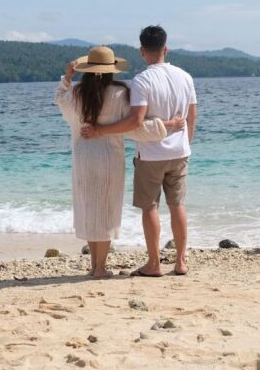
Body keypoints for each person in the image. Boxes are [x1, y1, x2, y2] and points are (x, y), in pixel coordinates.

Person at [55, 46, 183, 279]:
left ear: (88, 69)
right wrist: (169, 125)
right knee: (105, 211)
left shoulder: (76, 94)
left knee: (90, 209)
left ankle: (94, 266)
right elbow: (135, 125)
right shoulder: (120, 93)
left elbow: (59, 100)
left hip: (83, 159)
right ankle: (100, 268)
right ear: (111, 70)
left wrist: (68, 77)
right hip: (109, 159)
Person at [81, 26, 197, 277]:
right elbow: (192, 116)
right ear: (166, 49)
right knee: (177, 205)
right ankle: (180, 262)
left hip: (151, 154)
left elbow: (135, 121)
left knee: (150, 207)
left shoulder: (142, 80)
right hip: (180, 152)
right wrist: (185, 144)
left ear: (142, 51)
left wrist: (100, 130)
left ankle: (154, 264)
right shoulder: (185, 77)